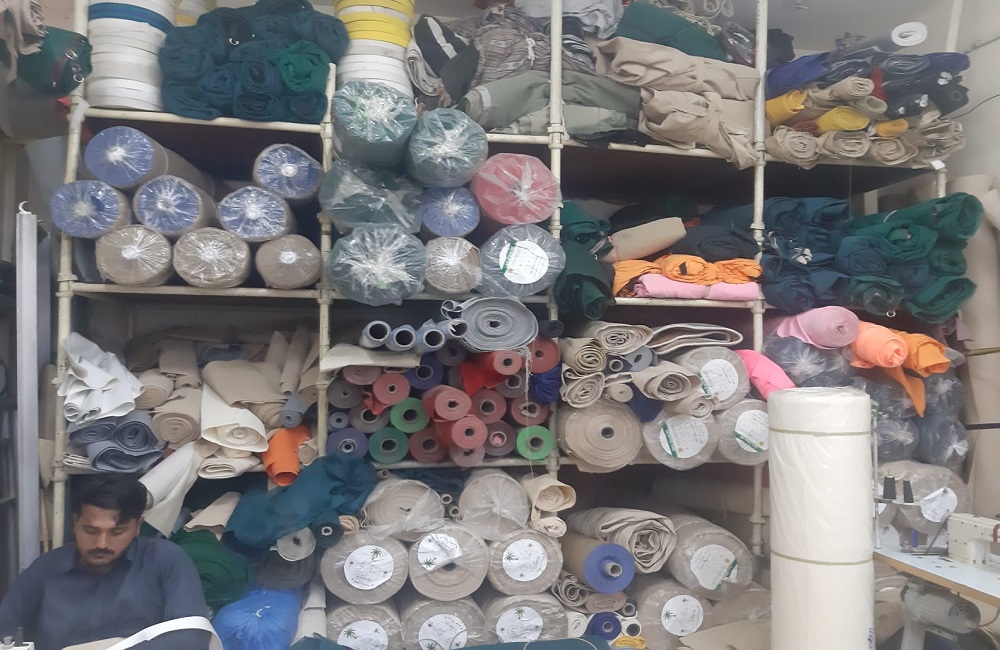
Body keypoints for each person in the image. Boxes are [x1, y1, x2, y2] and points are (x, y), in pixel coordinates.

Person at [0, 475, 212, 650]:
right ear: (75, 523)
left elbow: (191, 638)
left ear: (138, 526)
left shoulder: (164, 560)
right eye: (91, 530)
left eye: (117, 532)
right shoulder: (45, 570)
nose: (102, 543)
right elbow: (4, 627)